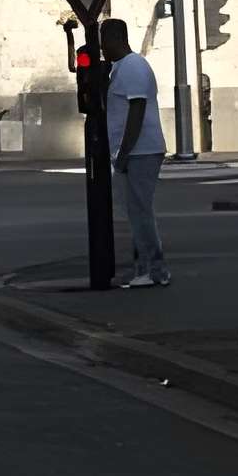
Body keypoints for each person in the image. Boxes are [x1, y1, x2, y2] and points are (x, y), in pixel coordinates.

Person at [100, 17, 170, 287]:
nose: (102, 48)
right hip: (135, 151)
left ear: (117, 39)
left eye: (104, 42)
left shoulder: (133, 66)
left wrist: (124, 153)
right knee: (135, 212)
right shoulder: (121, 68)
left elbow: (137, 110)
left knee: (140, 212)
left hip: (141, 151)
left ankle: (154, 270)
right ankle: (145, 269)